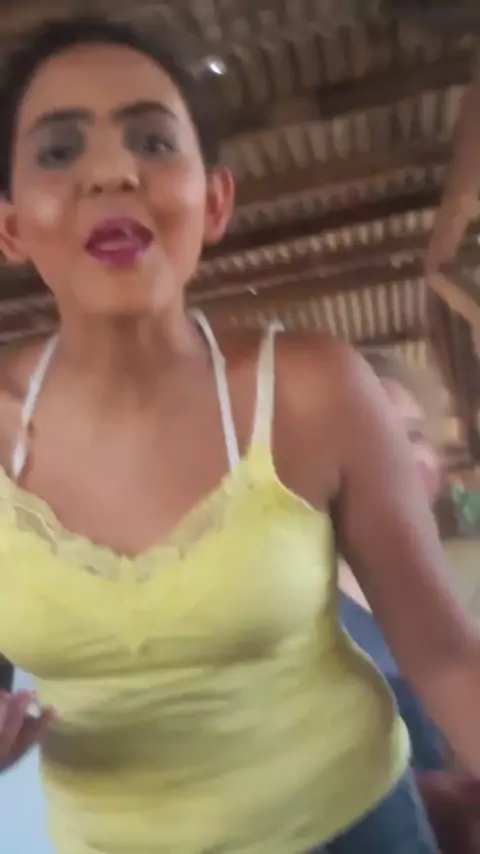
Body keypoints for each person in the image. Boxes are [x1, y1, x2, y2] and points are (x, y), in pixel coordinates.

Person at [0, 15, 479, 854]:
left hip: (356, 826)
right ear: (10, 226)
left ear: (214, 200)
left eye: (152, 142)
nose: (112, 173)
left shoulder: (312, 391)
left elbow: (441, 654)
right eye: (59, 150)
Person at [338, 352, 480, 852]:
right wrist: (424, 797)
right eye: (376, 437)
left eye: (416, 435)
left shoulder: (453, 586)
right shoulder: (293, 616)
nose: (408, 457)